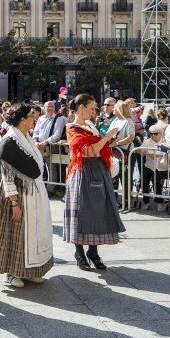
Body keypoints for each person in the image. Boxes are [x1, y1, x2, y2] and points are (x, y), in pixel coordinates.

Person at [0, 103, 53, 288]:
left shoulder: (26, 136)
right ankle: (11, 273)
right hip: (15, 192)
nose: (34, 118)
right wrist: (14, 203)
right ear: (21, 119)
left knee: (34, 232)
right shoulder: (10, 140)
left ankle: (31, 271)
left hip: (32, 191)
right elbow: (6, 176)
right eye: (31, 116)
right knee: (15, 233)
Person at [64, 94, 125, 271]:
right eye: (91, 108)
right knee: (81, 211)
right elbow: (87, 151)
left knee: (97, 209)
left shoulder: (90, 126)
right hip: (83, 170)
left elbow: (98, 148)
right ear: (81, 107)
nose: (93, 112)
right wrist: (106, 138)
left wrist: (108, 141)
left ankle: (93, 251)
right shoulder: (72, 128)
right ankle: (79, 253)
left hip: (97, 169)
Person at [139, 124, 169, 211]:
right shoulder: (147, 141)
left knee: (157, 180)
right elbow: (139, 150)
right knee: (144, 180)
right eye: (151, 133)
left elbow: (167, 153)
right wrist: (146, 153)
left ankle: (159, 201)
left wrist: (156, 155)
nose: (152, 135)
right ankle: (145, 201)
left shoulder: (165, 141)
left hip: (162, 167)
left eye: (155, 134)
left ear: (161, 133)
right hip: (149, 166)